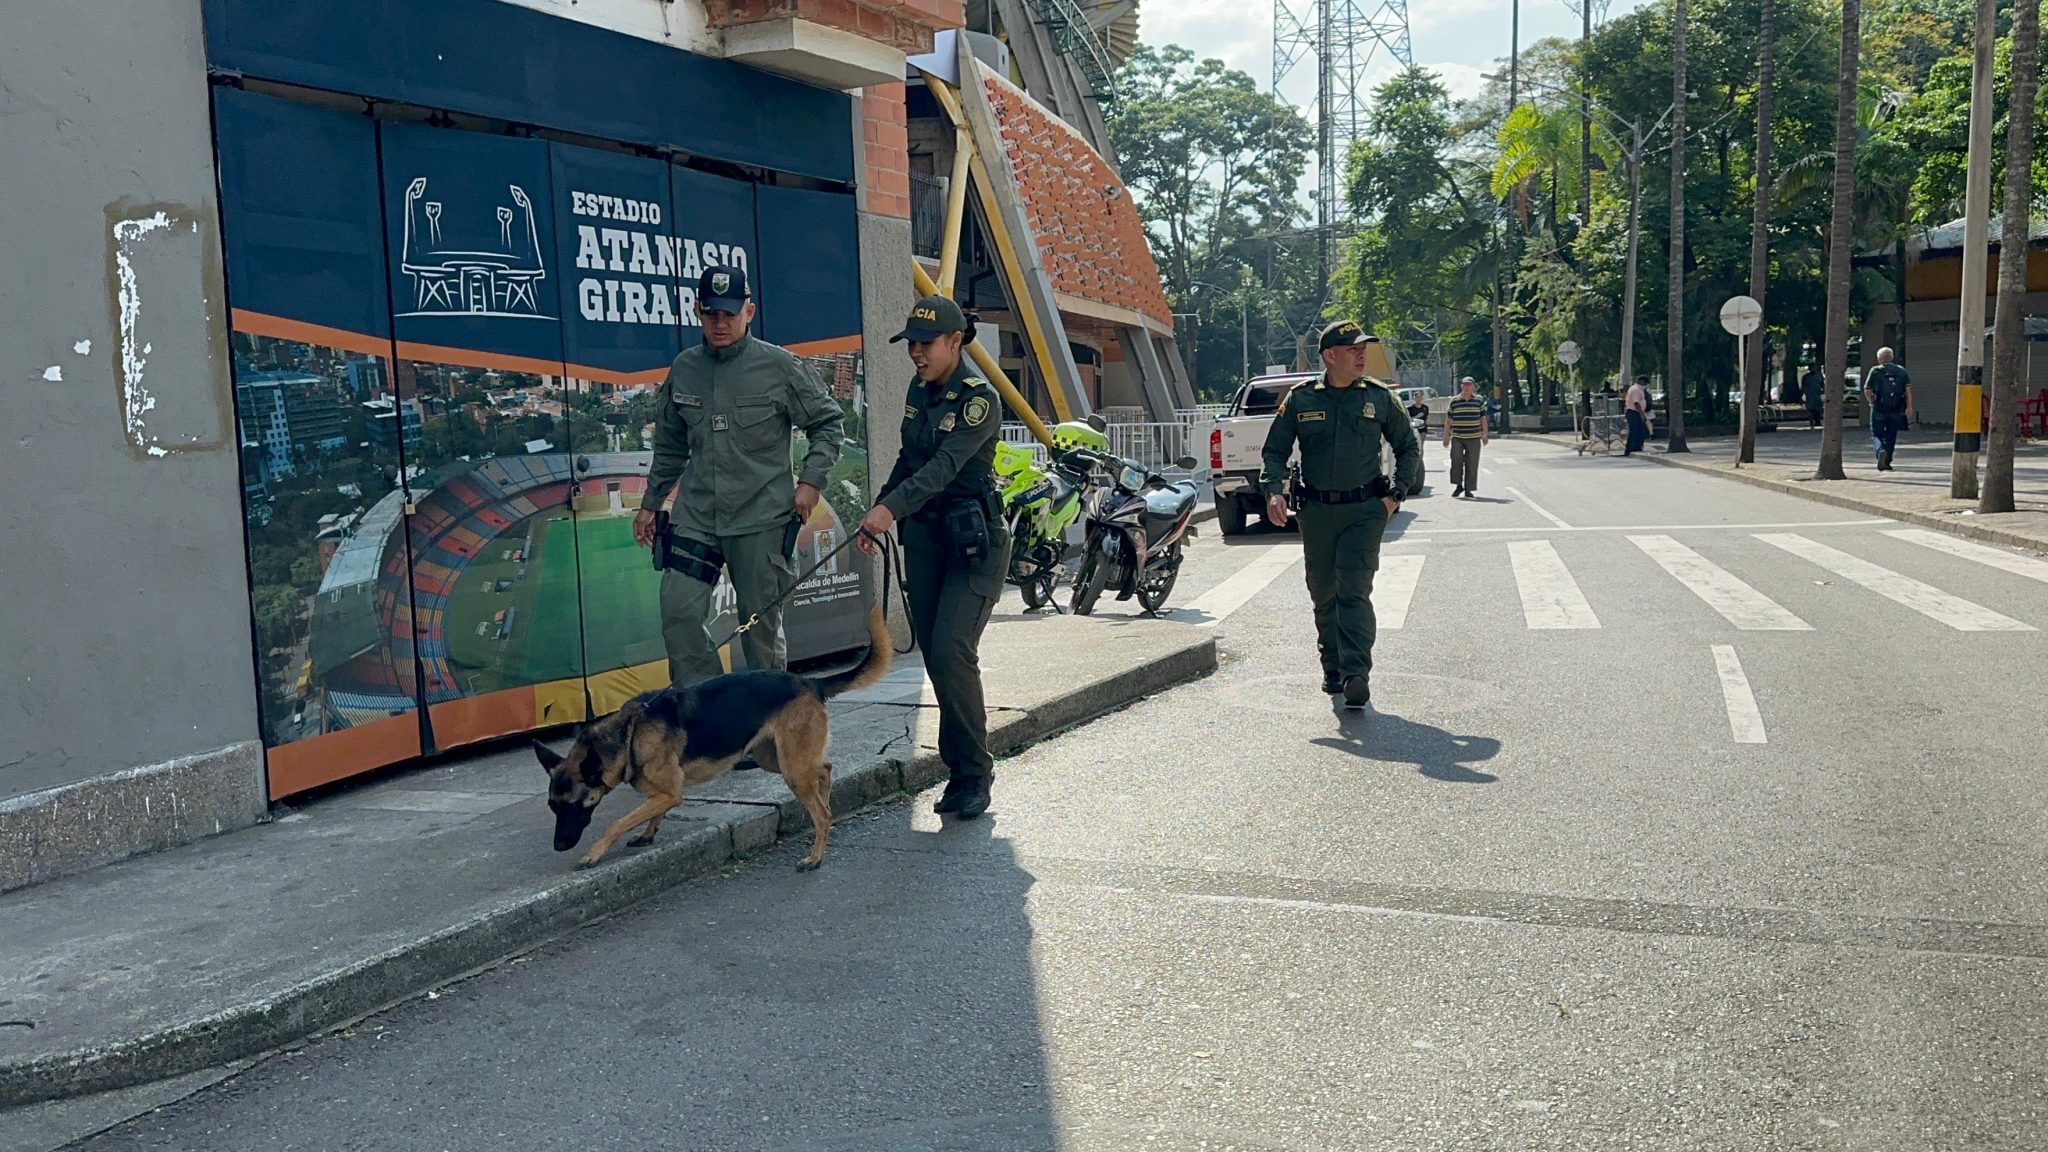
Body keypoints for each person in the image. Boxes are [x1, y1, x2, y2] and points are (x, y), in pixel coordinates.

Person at [636, 265, 846, 697]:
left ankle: (765, 724)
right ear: (697, 311)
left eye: (729, 314)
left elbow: (829, 423)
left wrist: (810, 482)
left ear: (749, 311)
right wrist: (651, 502)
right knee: (678, 613)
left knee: (761, 634)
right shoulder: (685, 368)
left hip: (761, 519)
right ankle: (710, 712)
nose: (720, 322)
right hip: (697, 516)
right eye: (711, 313)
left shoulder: (779, 366)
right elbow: (672, 445)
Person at [856, 295, 1010, 819]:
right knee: (938, 659)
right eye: (911, 344)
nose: (916, 353)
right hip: (926, 541)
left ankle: (975, 773)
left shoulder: (978, 398)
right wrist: (880, 507)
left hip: (974, 543)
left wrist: (890, 510)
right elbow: (909, 458)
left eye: (925, 344)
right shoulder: (919, 392)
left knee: (950, 651)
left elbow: (944, 467)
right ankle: (958, 769)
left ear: (954, 341)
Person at [1260, 320, 1422, 709]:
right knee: (1323, 592)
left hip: (1365, 510)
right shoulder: (1301, 399)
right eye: (1353, 349)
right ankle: (1332, 667)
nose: (1362, 354)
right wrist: (1273, 491)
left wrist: (1394, 497)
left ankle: (1355, 673)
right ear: (1330, 356)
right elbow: (1274, 450)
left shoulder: (1380, 397)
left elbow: (1407, 447)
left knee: (1353, 589)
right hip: (1316, 511)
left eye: (1363, 348)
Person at [1862, 347, 1913, 471]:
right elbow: (1908, 390)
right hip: (1896, 408)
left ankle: (1880, 451)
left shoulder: (1875, 371)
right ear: (1892, 357)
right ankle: (1888, 461)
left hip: (1879, 407)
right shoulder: (1901, 371)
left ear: (1879, 359)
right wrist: (1909, 407)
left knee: (1877, 434)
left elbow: (1867, 390)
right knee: (1891, 434)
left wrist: (1871, 402)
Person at [1444, 376, 1489, 498]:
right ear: (1461, 386)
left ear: (1473, 386)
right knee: (1456, 461)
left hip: (1474, 437)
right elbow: (1449, 420)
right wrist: (1446, 436)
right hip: (1458, 436)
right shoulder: (1454, 401)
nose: (1467, 386)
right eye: (1464, 384)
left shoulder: (1478, 400)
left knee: (1472, 464)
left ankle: (1469, 489)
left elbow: (1483, 418)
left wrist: (1485, 433)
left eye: (1469, 384)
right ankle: (1458, 485)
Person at [1624, 375, 1651, 456]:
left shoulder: (1639, 389)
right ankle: (1631, 448)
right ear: (1641, 381)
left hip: (1636, 412)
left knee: (1640, 430)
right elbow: (1636, 403)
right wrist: (1642, 414)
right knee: (1634, 430)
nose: (1645, 384)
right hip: (1634, 412)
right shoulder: (1636, 389)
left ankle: (1637, 447)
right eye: (1645, 382)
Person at [1405, 392, 1430, 463]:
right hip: (1414, 428)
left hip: (1423, 428)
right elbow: (1409, 419)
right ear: (1414, 398)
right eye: (1417, 397)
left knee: (1421, 444)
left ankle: (1420, 460)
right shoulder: (1410, 409)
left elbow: (1427, 418)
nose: (1418, 399)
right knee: (1415, 444)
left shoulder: (1425, 407)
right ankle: (1413, 458)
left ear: (1422, 398)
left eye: (1420, 397)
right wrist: (1417, 416)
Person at [1802, 365, 1824, 429]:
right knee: (1810, 410)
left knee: (1818, 410)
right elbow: (1803, 387)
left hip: (1817, 395)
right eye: (1812, 368)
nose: (1813, 369)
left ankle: (1818, 422)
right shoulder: (1806, 377)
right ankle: (1811, 422)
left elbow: (1822, 385)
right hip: (1809, 395)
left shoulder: (1818, 376)